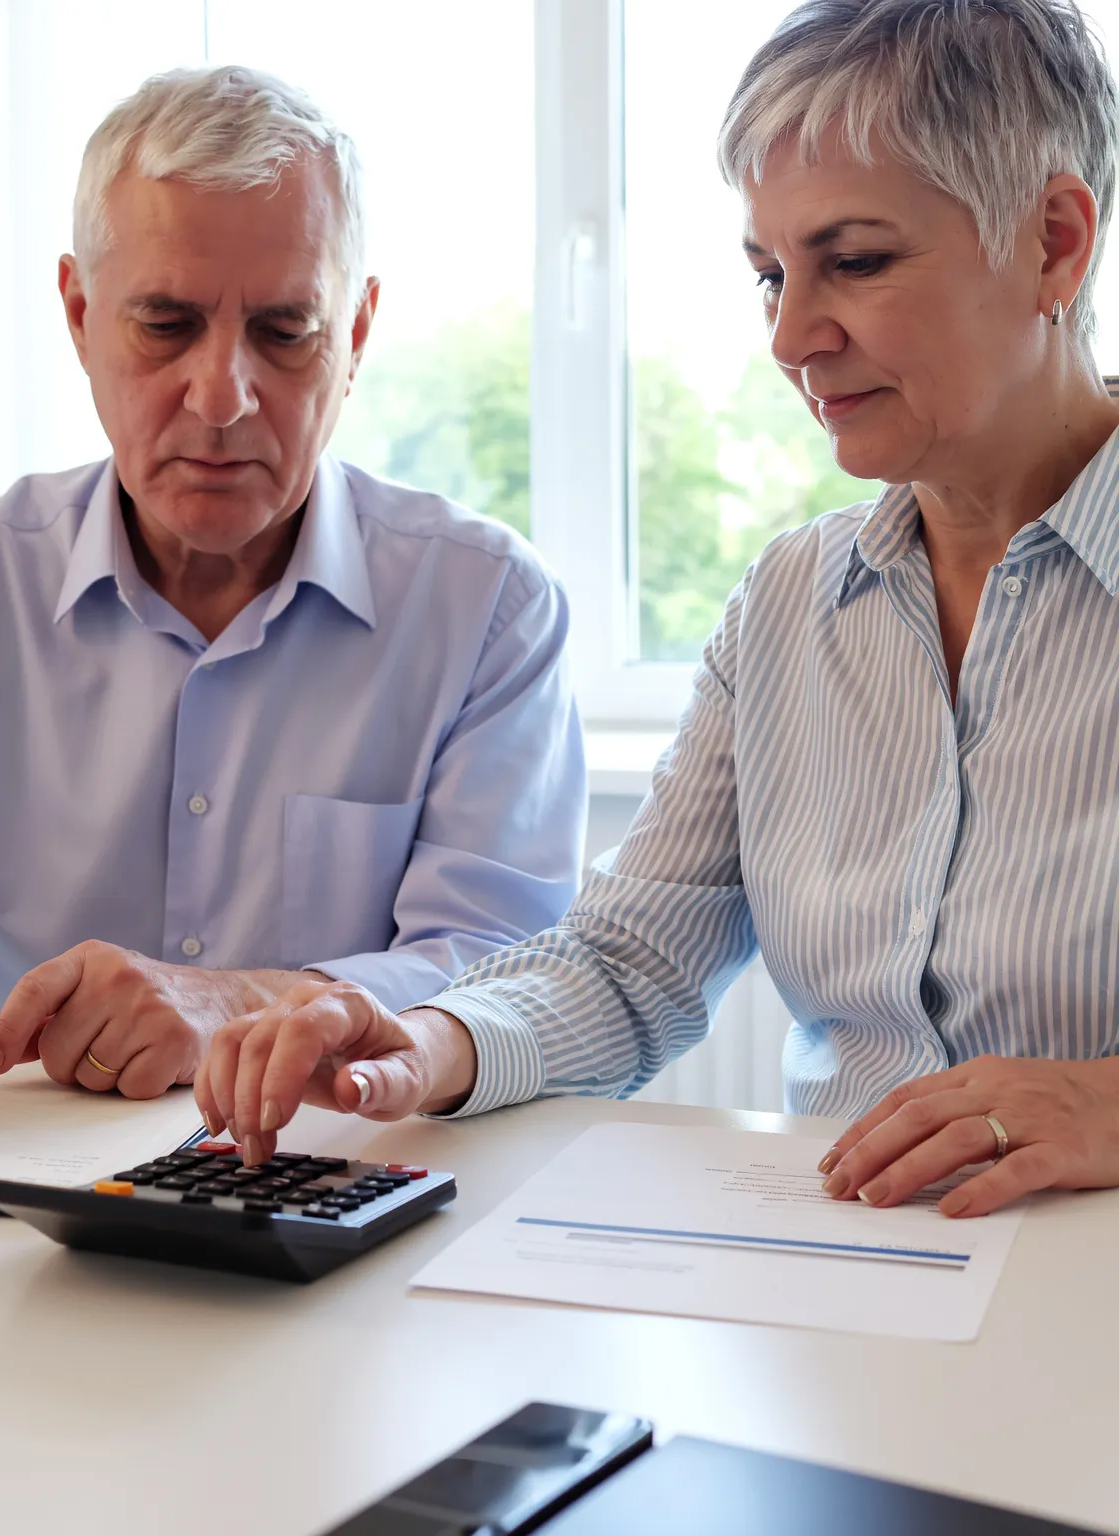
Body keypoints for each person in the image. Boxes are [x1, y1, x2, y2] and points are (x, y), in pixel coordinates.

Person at [200, 0, 1119, 1216]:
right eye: (769, 275)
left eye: (855, 261)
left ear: (1055, 243)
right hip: (856, 1299)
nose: (793, 335)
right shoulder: (788, 607)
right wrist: (425, 1043)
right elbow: (630, 963)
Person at [0, 66, 585, 1140]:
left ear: (358, 334)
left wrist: (238, 999)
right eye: (166, 324)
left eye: (286, 331)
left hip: (352, 1194)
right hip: (2, 1214)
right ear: (81, 314)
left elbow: (511, 976)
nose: (222, 395)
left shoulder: (487, 611)